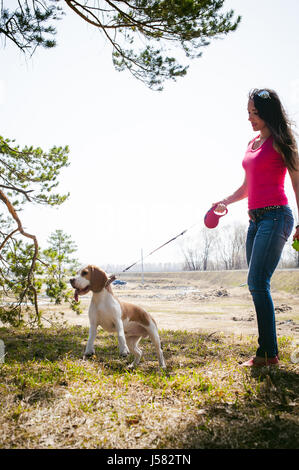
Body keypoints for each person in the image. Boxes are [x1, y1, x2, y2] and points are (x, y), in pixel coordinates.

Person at [213, 88, 299, 367]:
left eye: (255, 113)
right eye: (248, 113)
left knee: (257, 283)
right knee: (257, 286)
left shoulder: (281, 142)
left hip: (276, 217)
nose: (250, 118)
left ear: (268, 113)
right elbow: (248, 186)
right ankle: (267, 352)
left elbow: (297, 184)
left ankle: (268, 354)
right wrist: (226, 200)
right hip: (255, 221)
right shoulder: (253, 143)